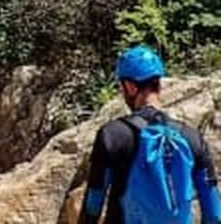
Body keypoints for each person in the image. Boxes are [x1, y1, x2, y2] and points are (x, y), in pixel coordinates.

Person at [79, 45, 221, 224]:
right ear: (159, 85)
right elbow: (214, 213)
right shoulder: (192, 137)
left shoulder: (112, 135)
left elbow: (94, 202)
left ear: (130, 87)